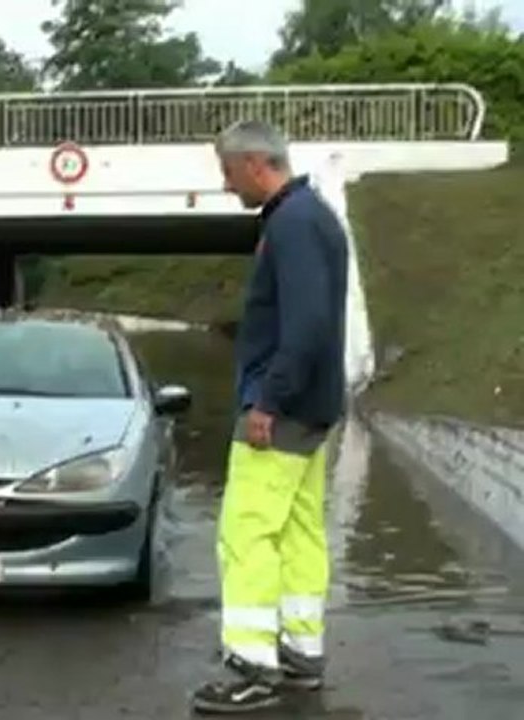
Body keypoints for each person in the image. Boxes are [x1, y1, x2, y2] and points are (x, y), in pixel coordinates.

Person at [192, 120, 348, 714]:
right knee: (299, 530)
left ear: (257, 164)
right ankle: (302, 656)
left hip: (281, 408)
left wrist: (268, 400)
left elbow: (304, 325)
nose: (227, 186)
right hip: (313, 405)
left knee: (247, 533)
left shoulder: (293, 223)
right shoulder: (311, 215)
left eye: (229, 173)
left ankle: (252, 667)